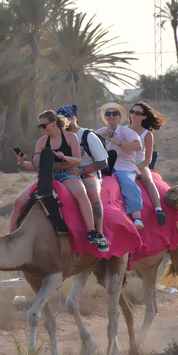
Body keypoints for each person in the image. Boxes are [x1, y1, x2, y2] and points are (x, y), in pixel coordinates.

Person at [13, 110, 104, 250]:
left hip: (67, 174)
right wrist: (22, 162)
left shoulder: (70, 137)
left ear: (54, 123)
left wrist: (64, 157)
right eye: (40, 127)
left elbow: (77, 160)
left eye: (44, 126)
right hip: (48, 175)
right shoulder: (42, 141)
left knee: (81, 192)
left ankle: (91, 231)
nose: (42, 129)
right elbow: (35, 165)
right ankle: (11, 236)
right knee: (18, 201)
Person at [56, 104, 110, 252]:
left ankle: (99, 234)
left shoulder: (88, 136)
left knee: (91, 191)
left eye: (64, 119)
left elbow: (103, 162)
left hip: (88, 172)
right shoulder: (59, 137)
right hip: (65, 173)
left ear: (73, 118)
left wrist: (80, 170)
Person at [95, 102, 144, 229]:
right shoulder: (99, 132)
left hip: (124, 166)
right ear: (105, 117)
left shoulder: (126, 131)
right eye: (108, 114)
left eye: (114, 113)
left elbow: (138, 146)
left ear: (119, 117)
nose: (111, 116)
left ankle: (137, 216)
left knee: (128, 183)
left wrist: (119, 142)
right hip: (104, 167)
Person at [128, 101, 167, 226]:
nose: (134, 115)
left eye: (138, 113)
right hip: (125, 163)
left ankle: (158, 210)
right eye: (132, 112)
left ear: (144, 117)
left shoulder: (147, 134)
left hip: (141, 163)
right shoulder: (123, 130)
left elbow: (148, 159)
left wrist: (136, 168)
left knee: (148, 181)